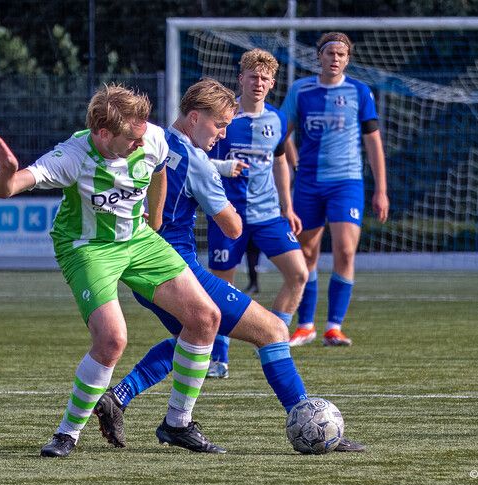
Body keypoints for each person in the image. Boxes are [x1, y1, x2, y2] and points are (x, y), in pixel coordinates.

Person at [91, 78, 365, 453]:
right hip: (176, 267)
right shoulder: (196, 162)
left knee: (190, 340)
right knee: (271, 330)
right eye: (219, 124)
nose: (221, 134)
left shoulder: (147, 139)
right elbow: (232, 227)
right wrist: (227, 195)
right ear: (193, 117)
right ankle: (307, 417)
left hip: (136, 268)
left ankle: (120, 398)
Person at [0, 83, 223, 458]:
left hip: (138, 240)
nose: (140, 143)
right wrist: (6, 169)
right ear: (102, 133)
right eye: (131, 138)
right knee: (113, 339)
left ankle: (178, 423)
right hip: (88, 247)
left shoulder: (151, 138)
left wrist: (157, 216)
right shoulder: (72, 156)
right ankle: (67, 433)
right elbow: (7, 189)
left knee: (206, 317)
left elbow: (160, 169)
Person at [205, 48, 308, 379]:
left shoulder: (276, 119)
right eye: (253, 76)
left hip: (267, 216)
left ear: (272, 82)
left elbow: (280, 161)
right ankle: (219, 358)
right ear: (241, 79)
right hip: (228, 215)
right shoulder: (225, 118)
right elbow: (201, 160)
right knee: (223, 288)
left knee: (298, 274)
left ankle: (273, 337)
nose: (259, 82)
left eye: (265, 78)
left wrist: (288, 207)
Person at [282, 32, 389, 347]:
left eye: (341, 54)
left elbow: (373, 142)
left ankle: (334, 326)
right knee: (306, 252)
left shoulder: (359, 91)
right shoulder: (301, 90)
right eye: (330, 53)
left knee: (345, 250)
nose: (335, 59)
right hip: (308, 183)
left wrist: (381, 189)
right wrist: (294, 161)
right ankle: (305, 325)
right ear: (319, 56)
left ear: (348, 59)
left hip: (346, 182)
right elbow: (280, 132)